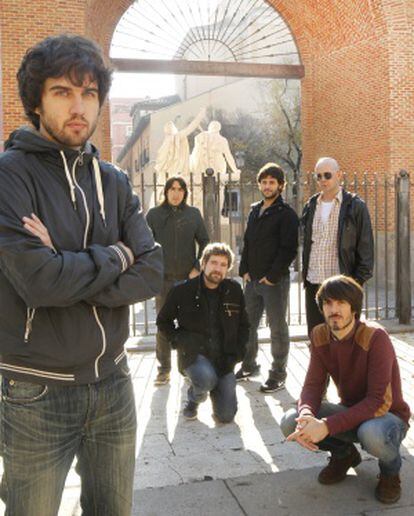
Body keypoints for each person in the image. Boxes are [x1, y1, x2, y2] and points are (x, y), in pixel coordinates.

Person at [0, 34, 163, 516]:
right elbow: (40, 283)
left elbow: (153, 270)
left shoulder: (112, 179)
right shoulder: (11, 175)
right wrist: (115, 256)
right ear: (36, 101)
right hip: (36, 390)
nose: (79, 107)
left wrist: (67, 264)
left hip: (114, 382)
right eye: (62, 92)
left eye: (89, 93)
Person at [280, 275, 410, 505]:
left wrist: (327, 426)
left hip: (386, 416)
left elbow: (377, 402)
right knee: (291, 421)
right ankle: (344, 455)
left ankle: (391, 472)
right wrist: (307, 416)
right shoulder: (320, 334)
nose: (334, 309)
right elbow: (312, 385)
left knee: (371, 434)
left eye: (340, 303)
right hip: (351, 410)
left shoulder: (375, 336)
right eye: (328, 303)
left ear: (354, 307)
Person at [156, 243, 249, 423]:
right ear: (203, 264)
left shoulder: (234, 290)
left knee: (226, 416)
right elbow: (163, 321)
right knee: (206, 379)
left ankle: (211, 385)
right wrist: (178, 341)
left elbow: (244, 326)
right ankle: (194, 398)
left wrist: (238, 353)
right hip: (193, 355)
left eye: (223, 265)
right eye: (214, 263)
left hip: (224, 359)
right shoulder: (182, 291)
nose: (218, 269)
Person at [237, 163, 299, 393]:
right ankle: (249, 365)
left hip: (274, 282)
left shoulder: (287, 214)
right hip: (251, 281)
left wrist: (272, 277)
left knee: (277, 329)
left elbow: (289, 249)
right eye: (264, 182)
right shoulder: (255, 210)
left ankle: (278, 373)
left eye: (272, 182)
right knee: (248, 325)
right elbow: (248, 242)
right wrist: (243, 269)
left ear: (280, 186)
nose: (267, 186)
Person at [146, 176, 209, 385]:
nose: (176, 193)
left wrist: (197, 267)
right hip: (163, 280)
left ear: (185, 193)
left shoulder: (193, 214)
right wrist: (152, 270)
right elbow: (144, 244)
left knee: (188, 326)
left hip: (187, 280)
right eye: (172, 189)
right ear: (166, 192)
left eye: (180, 189)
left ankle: (187, 368)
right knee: (163, 326)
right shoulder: (154, 215)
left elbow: (205, 241)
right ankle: (163, 369)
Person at [302, 157, 374, 336]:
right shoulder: (311, 205)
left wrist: (355, 284)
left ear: (339, 175)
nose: (323, 180)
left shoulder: (355, 206)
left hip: (342, 285)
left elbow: (366, 248)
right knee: (317, 338)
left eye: (327, 175)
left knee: (344, 339)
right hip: (314, 283)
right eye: (318, 176)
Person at [154, 107, 205, 176]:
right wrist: (200, 115)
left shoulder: (166, 141)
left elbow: (161, 159)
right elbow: (191, 127)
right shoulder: (178, 136)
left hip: (169, 172)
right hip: (177, 169)